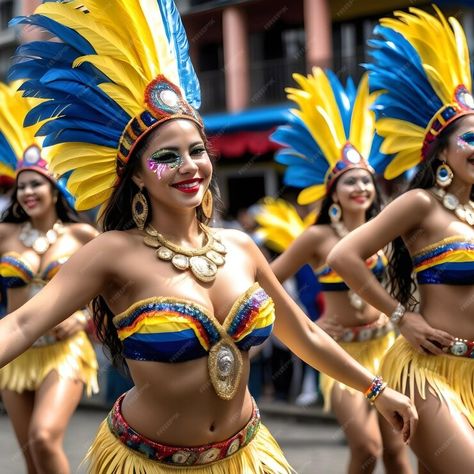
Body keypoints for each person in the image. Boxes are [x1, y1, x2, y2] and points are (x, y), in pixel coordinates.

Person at [5, 1, 417, 472]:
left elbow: (300, 332)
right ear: (137, 176)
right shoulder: (111, 253)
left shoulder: (240, 248)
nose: (188, 167)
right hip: (147, 462)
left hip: (247, 456)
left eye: (197, 150)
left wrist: (377, 390)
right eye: (166, 156)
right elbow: (20, 324)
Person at [327, 6, 474, 473]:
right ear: (443, 152)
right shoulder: (421, 205)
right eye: (471, 139)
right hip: (428, 371)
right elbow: (343, 255)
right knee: (377, 452)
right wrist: (401, 316)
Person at [256, 69, 412, 473]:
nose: (361, 187)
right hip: (340, 353)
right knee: (366, 448)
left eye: (366, 180)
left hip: (387, 347)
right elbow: (265, 279)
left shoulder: (389, 230)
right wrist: (309, 324)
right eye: (350, 182)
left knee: (398, 450)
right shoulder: (318, 237)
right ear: (334, 194)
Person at [0, 82, 98, 473]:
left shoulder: (82, 236)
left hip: (65, 350)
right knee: (30, 457)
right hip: (16, 356)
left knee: (44, 436)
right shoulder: (4, 234)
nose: (27, 192)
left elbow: (112, 292)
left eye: (35, 184)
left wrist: (85, 317)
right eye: (22, 186)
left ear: (55, 189)